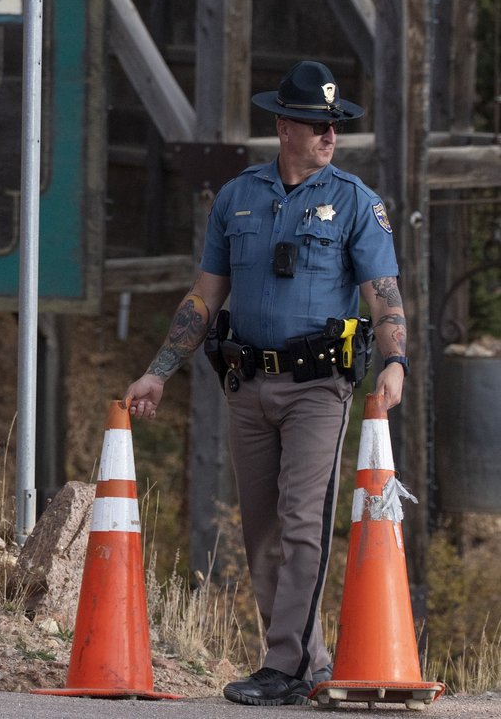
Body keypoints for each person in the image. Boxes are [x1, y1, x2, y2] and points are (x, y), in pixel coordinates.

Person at [123, 60, 409, 707]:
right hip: (247, 381)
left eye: (334, 124)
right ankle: (304, 661)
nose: (330, 135)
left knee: (304, 520)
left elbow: (384, 297)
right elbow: (203, 297)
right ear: (285, 126)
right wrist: (160, 370)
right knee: (261, 527)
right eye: (318, 124)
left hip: (317, 388)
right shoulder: (237, 197)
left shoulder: (358, 203)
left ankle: (283, 662)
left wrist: (395, 362)